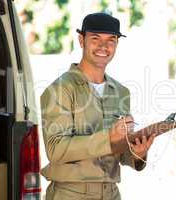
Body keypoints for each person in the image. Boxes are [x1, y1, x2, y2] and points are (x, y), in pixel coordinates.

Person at [40, 12, 156, 200]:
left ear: (117, 44)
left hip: (111, 194)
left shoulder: (121, 92)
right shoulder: (60, 90)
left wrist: (137, 154)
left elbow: (118, 151)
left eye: (111, 40)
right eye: (95, 38)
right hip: (71, 194)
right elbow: (55, 150)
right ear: (81, 40)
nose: (104, 46)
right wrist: (108, 138)